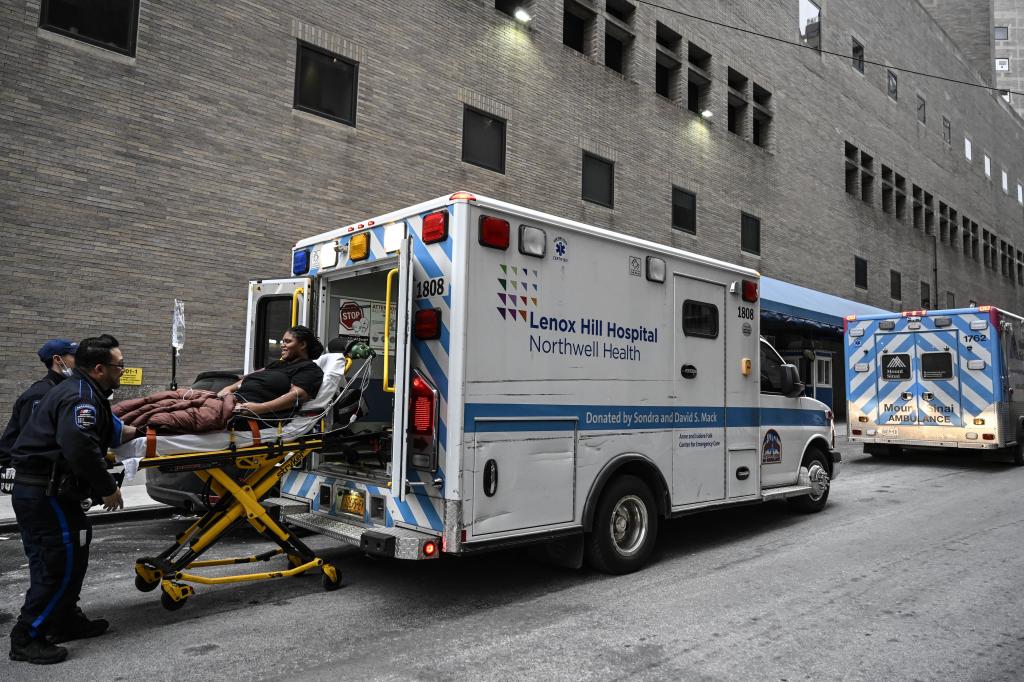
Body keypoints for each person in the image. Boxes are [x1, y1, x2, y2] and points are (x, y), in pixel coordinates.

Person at [8, 335, 127, 665]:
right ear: (100, 368)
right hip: (46, 494)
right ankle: (26, 637)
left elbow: (96, 435)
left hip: (55, 493)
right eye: (120, 366)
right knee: (57, 565)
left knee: (73, 556)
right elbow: (79, 445)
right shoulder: (80, 398)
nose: (122, 371)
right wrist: (106, 487)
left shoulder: (85, 390)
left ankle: (63, 620)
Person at [218, 325, 325, 421]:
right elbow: (251, 376)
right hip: (232, 402)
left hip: (250, 413)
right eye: (283, 341)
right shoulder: (277, 364)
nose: (282, 345)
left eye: (287, 342)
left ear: (302, 344)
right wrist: (230, 388)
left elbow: (296, 397)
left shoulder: (310, 369)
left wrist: (259, 408)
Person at [0, 339, 79, 469]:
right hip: (31, 474)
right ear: (58, 360)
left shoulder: (63, 390)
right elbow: (34, 441)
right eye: (75, 356)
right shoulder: (41, 394)